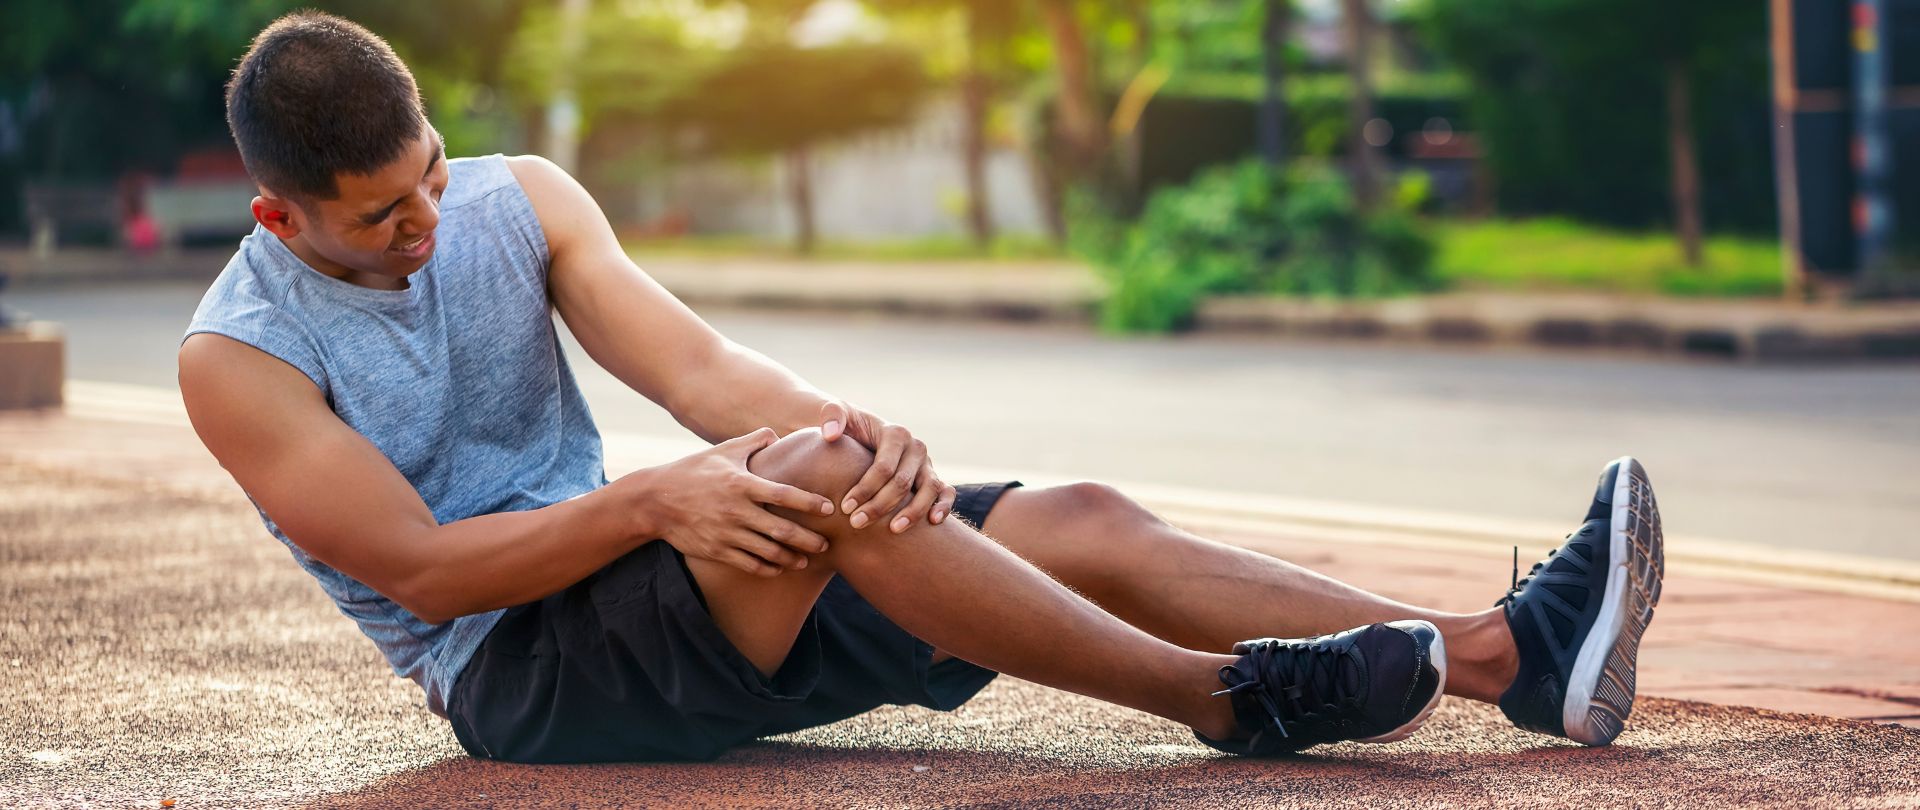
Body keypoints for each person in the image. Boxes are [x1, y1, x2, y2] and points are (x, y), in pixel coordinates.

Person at [178, 12, 1664, 764]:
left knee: (1060, 509)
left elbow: (701, 371)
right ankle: (1227, 701)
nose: (428, 223)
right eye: (383, 217)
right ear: (283, 217)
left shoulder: (526, 199)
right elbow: (428, 575)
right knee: (810, 483)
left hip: (686, 584)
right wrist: (656, 502)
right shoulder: (236, 357)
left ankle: (1505, 659)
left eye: (430, 173)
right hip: (528, 672)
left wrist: (851, 428)